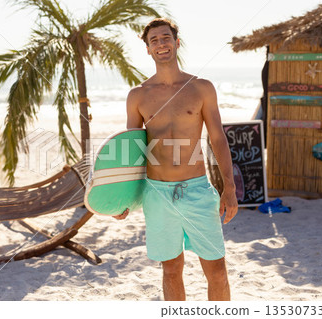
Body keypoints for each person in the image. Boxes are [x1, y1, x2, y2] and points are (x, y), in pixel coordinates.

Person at [113, 18, 238, 301]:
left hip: (196, 189)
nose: (161, 44)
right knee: (171, 270)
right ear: (147, 49)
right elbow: (133, 151)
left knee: (217, 270)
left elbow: (217, 138)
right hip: (156, 194)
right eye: (154, 40)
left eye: (165, 37)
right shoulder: (137, 96)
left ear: (176, 42)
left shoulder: (202, 88)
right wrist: (122, 197)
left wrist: (228, 187)